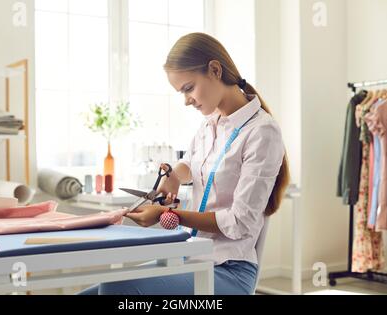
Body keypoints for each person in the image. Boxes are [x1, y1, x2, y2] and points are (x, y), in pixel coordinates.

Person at [80, 32, 290, 295]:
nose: (186, 100)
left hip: (229, 270)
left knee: (116, 290)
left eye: (188, 88)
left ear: (215, 70)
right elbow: (189, 163)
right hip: (190, 257)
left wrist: (170, 215)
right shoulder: (209, 125)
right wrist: (176, 175)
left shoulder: (262, 131)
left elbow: (240, 222)